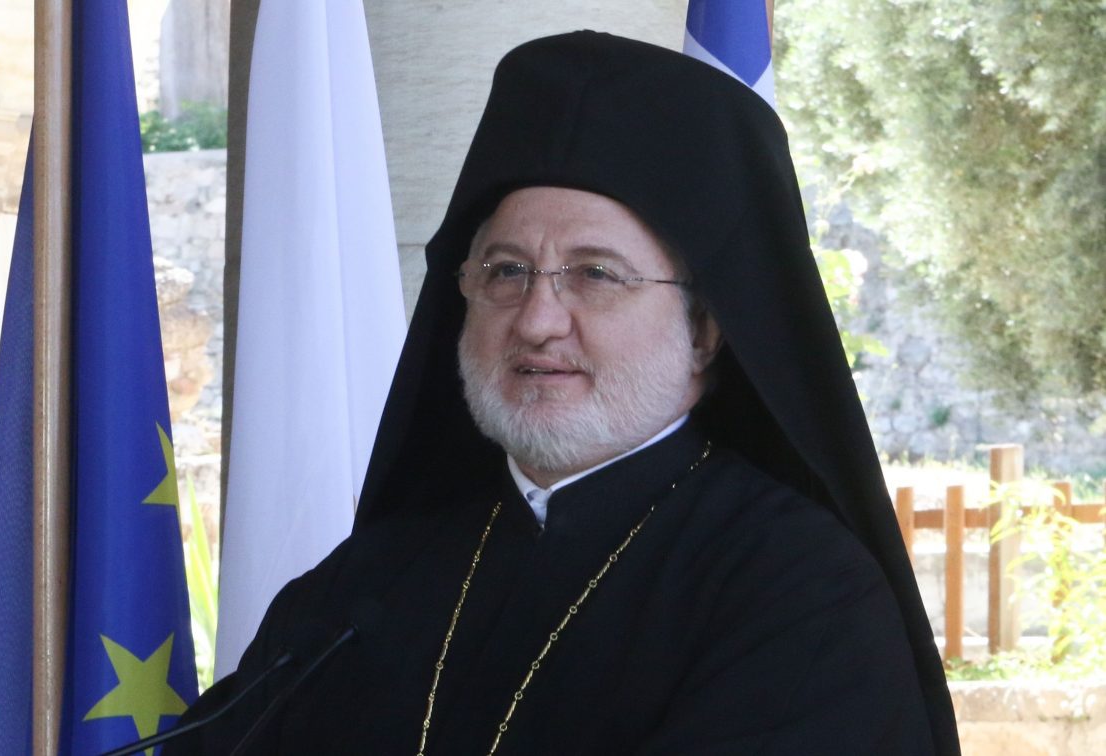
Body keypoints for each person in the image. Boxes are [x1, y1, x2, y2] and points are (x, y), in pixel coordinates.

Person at [168, 31, 959, 754]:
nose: (538, 321)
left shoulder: (800, 593)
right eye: (507, 271)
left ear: (705, 330)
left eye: (596, 275)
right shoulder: (364, 587)